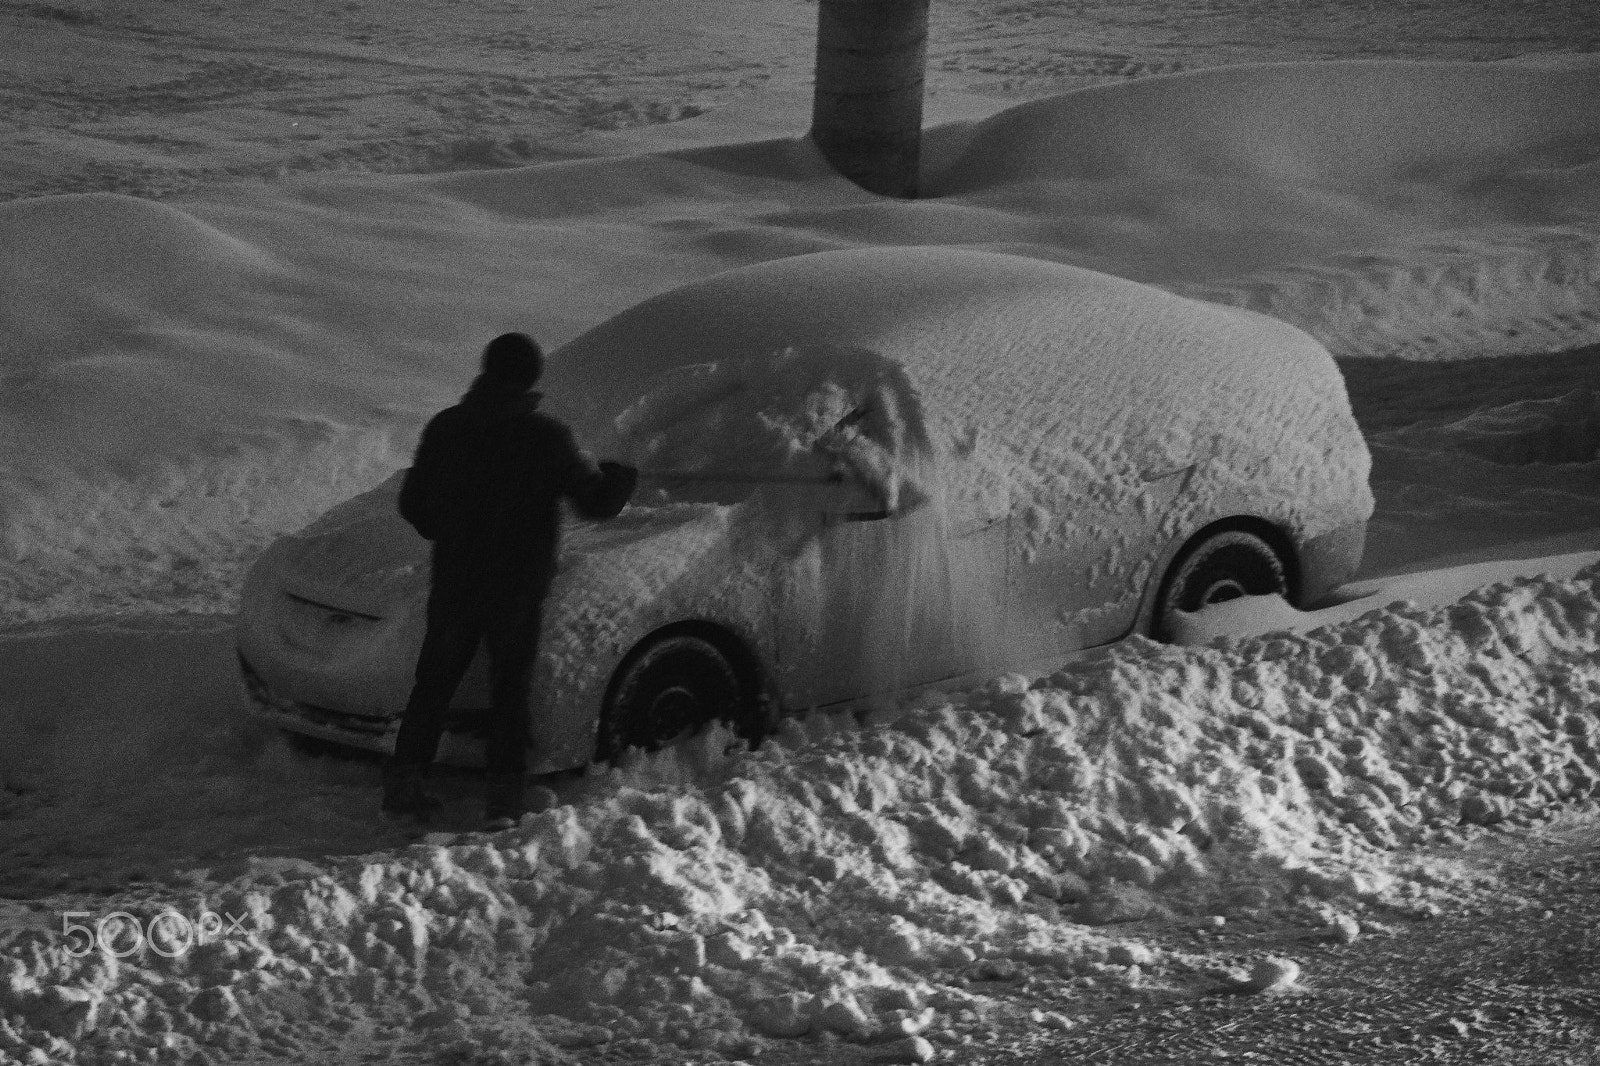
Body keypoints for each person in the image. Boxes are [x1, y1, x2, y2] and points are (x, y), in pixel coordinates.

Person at [385, 332, 637, 829]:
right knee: (509, 691)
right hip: (516, 588)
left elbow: (413, 502)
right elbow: (596, 503)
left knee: (432, 686)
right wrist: (622, 477)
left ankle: (404, 788)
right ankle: (502, 802)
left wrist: (448, 530)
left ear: (486, 369)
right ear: (531, 378)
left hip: (456, 580)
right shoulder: (545, 437)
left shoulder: (447, 427)